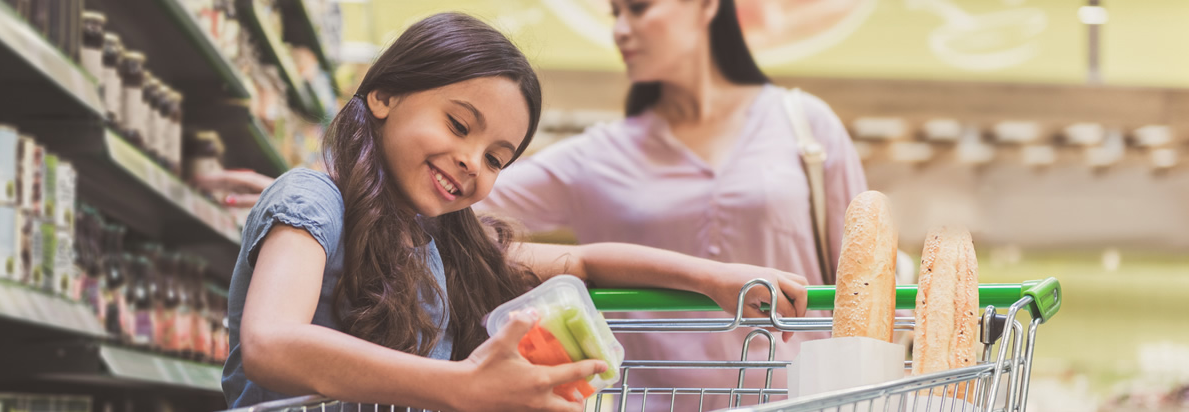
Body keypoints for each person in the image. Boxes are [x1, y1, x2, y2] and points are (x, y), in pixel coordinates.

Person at [222, 12, 809, 411]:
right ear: (383, 96)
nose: (472, 162)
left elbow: (580, 262)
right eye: (458, 124)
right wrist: (464, 385)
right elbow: (272, 342)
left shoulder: (434, 240)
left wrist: (714, 277)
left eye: (496, 158)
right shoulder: (313, 200)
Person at [476, 0, 868, 408]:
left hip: (808, 400)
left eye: (639, 8)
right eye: (616, 14)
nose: (621, 30)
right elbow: (447, 218)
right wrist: (578, 262)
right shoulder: (594, 158)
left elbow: (862, 277)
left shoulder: (805, 124)